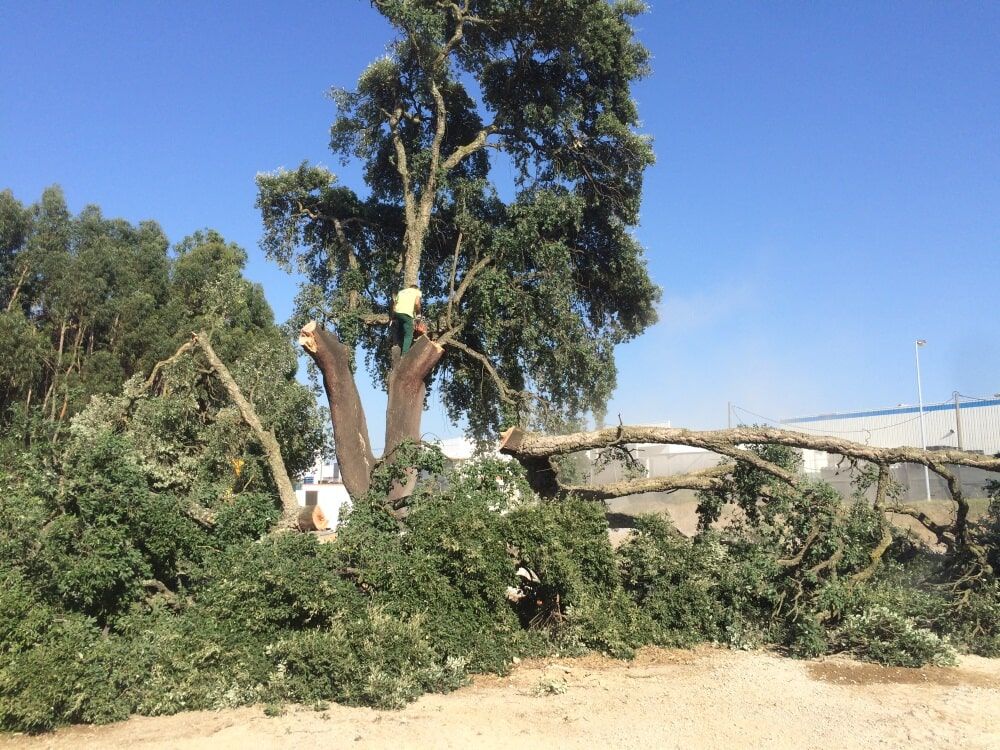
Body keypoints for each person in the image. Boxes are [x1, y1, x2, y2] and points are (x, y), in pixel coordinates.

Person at [392, 284, 421, 354]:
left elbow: (394, 305)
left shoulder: (401, 292)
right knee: (409, 335)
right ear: (416, 289)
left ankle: (396, 345)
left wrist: (393, 317)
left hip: (397, 313)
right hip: (406, 314)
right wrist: (418, 313)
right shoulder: (417, 291)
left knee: (401, 329)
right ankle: (404, 355)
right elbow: (417, 303)